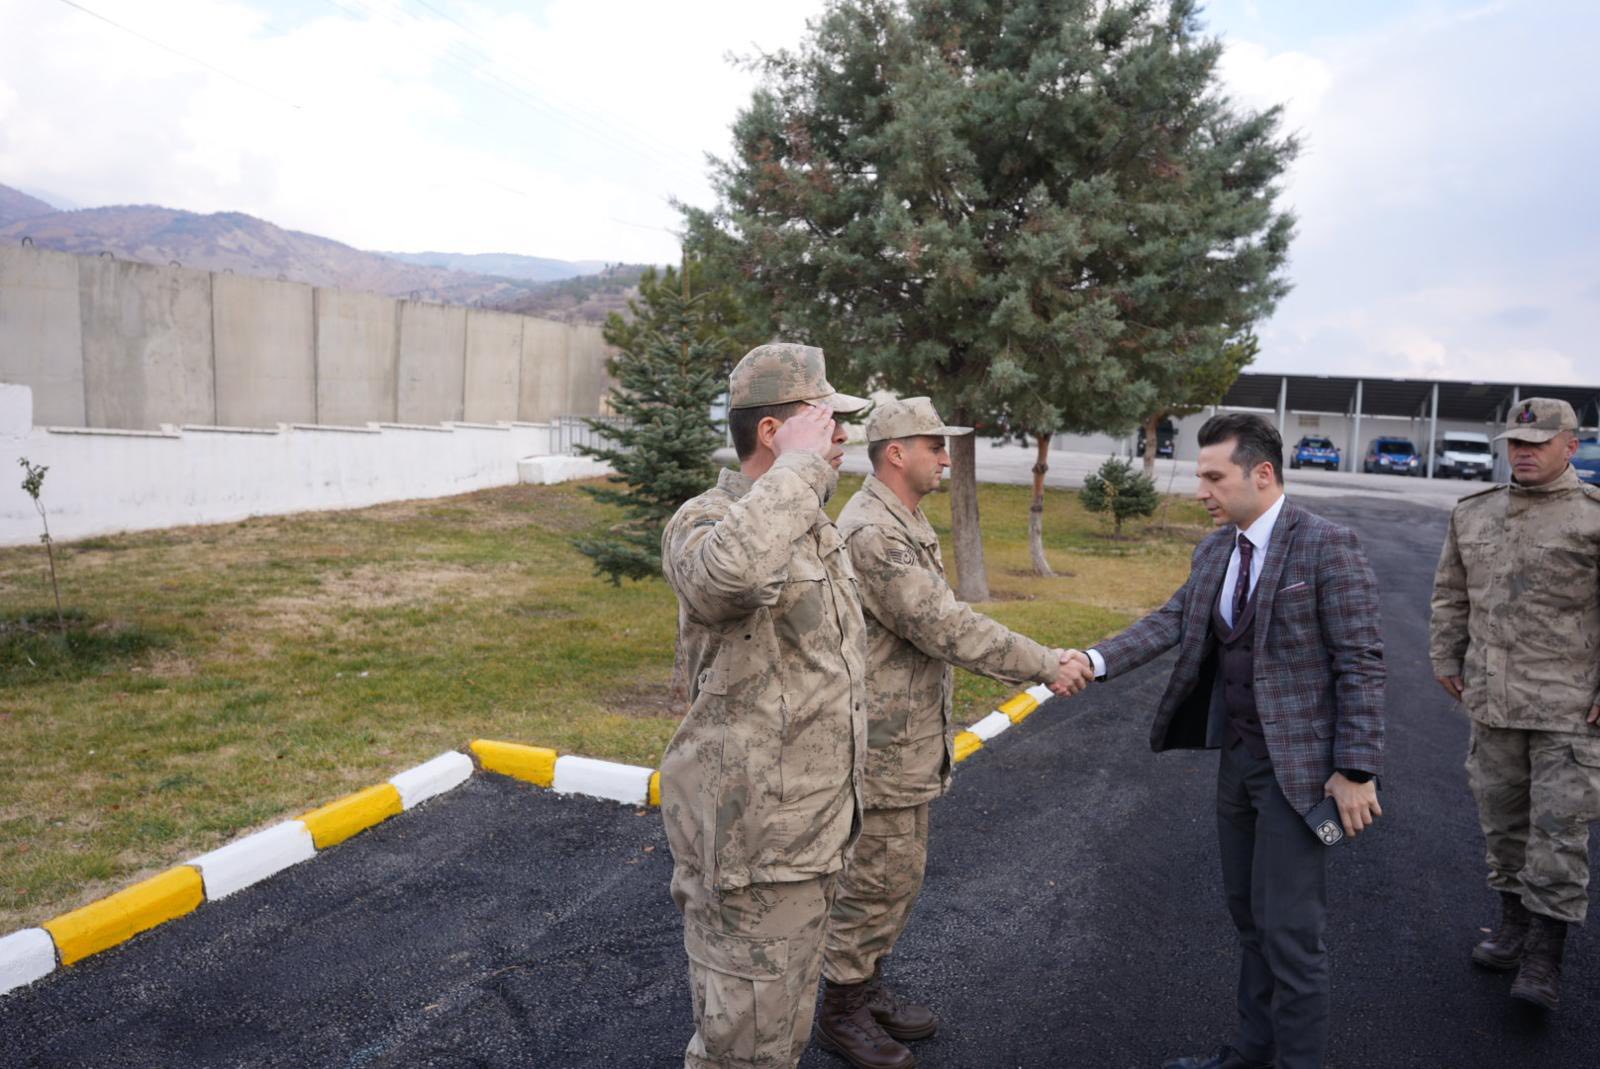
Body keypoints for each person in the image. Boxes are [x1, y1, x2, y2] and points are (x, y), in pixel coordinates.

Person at [1057, 412, 1385, 1069]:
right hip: (1238, 764)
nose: (1199, 490)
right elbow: (1173, 619)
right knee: (1248, 916)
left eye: (1213, 477)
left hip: (1302, 775)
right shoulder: (1214, 550)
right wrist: (1092, 660)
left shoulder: (1327, 545)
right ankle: (1251, 1050)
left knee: (1292, 932)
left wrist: (1355, 769)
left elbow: (1362, 662)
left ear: (1262, 473)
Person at [815, 397, 1086, 1069]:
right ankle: (840, 1010)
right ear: (896, 452)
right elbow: (946, 626)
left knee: (896, 877)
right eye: (935, 446)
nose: (946, 457)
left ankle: (865, 987)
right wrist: (1047, 664)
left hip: (905, 738)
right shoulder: (872, 532)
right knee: (874, 881)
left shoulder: (901, 518)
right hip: (881, 745)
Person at [658, 342, 870, 1069]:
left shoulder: (807, 521)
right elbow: (727, 578)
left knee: (780, 1037)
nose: (843, 434)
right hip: (752, 845)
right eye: (826, 420)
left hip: (809, 835)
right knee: (741, 1052)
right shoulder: (705, 519)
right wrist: (799, 469)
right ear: (774, 432)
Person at [1429, 397, 1600, 1011]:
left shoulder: (1593, 518)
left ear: (1570, 446)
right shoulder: (1474, 512)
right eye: (1516, 444)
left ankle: (1544, 957)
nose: (1522, 453)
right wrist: (1445, 656)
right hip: (1494, 702)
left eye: (1537, 443)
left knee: (1558, 833)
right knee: (1502, 824)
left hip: (1570, 709)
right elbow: (1451, 593)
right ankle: (1513, 927)